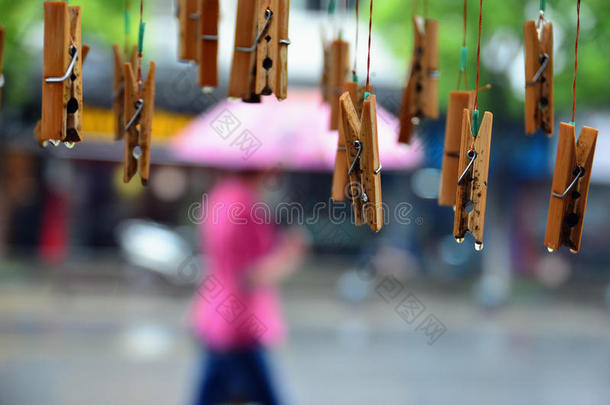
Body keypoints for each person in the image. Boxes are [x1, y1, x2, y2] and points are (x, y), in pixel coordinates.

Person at [190, 171, 307, 405]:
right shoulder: (247, 206)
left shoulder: (219, 198)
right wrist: (291, 253)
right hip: (240, 324)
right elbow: (249, 275)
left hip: (218, 317)